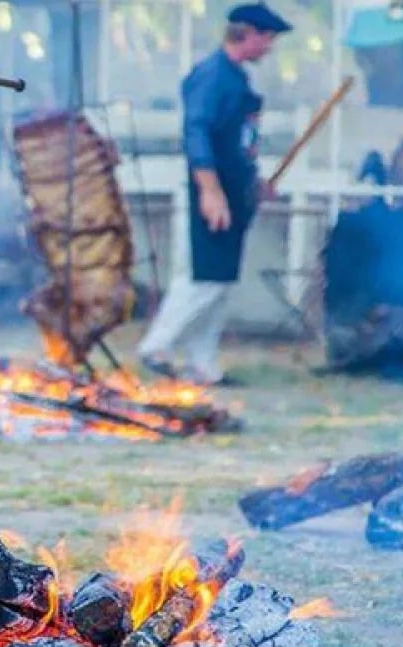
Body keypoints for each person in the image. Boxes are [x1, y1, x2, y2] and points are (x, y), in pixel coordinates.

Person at [136, 3, 291, 386]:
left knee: (220, 281)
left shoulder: (237, 80)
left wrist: (254, 182)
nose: (269, 46)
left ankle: (202, 365)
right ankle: (156, 346)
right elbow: (197, 133)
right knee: (206, 277)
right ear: (247, 33)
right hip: (215, 191)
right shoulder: (211, 76)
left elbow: (240, 143)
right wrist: (211, 191)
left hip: (235, 190)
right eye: (267, 37)